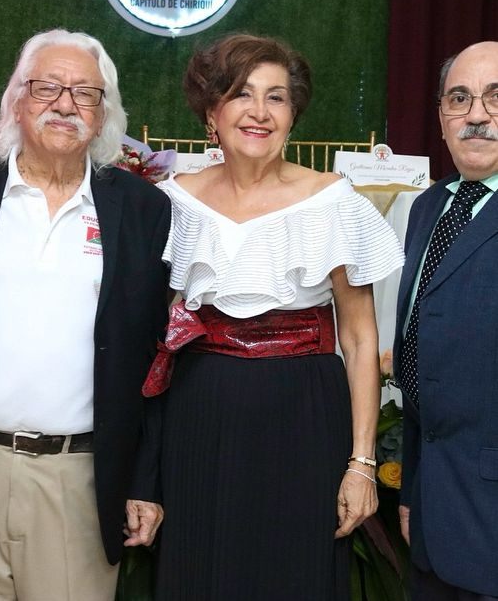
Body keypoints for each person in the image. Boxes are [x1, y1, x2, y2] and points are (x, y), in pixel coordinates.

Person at [0, 29, 171, 600]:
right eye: (47, 87)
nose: (65, 104)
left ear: (104, 113)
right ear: (17, 100)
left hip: (80, 483)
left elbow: (153, 358)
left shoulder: (143, 210)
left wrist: (143, 481)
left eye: (85, 93)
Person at [145, 34, 405, 600]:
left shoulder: (333, 201)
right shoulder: (172, 202)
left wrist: (362, 463)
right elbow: (152, 336)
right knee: (200, 572)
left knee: (296, 576)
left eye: (277, 97)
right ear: (211, 112)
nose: (259, 111)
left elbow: (360, 339)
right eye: (242, 93)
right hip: (199, 413)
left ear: (293, 115)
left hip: (305, 415)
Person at [394, 41, 498, 600]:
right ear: (441, 118)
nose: (476, 115)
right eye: (460, 99)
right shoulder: (428, 207)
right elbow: (423, 355)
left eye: (495, 98)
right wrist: (414, 488)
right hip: (433, 515)